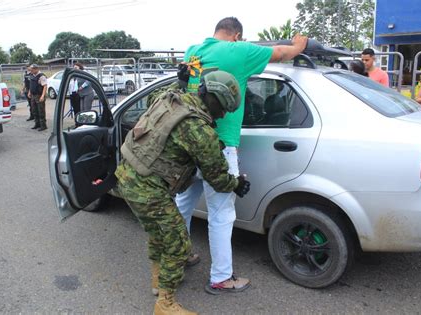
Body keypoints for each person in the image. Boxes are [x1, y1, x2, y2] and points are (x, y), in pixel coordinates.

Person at [175, 16, 307, 295]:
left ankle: (179, 256)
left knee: (183, 204)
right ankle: (221, 277)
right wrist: (298, 45)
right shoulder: (241, 52)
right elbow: (282, 52)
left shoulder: (192, 52)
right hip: (220, 147)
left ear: (216, 32)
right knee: (221, 214)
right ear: (237, 35)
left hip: (189, 144)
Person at [115, 70, 250, 315]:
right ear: (214, 101)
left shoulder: (170, 97)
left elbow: (149, 100)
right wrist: (237, 184)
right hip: (148, 188)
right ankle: (165, 304)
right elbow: (218, 179)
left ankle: (158, 278)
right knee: (178, 244)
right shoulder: (200, 131)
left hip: (126, 175)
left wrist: (180, 82)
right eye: (223, 109)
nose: (223, 116)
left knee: (159, 232)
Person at [27, 64, 48, 131]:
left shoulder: (41, 76)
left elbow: (45, 86)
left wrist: (42, 96)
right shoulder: (32, 75)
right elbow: (31, 85)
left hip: (39, 95)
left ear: (36, 69)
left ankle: (43, 126)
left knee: (41, 111)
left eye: (32, 70)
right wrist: (29, 92)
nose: (30, 71)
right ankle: (37, 124)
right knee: (34, 110)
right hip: (33, 95)